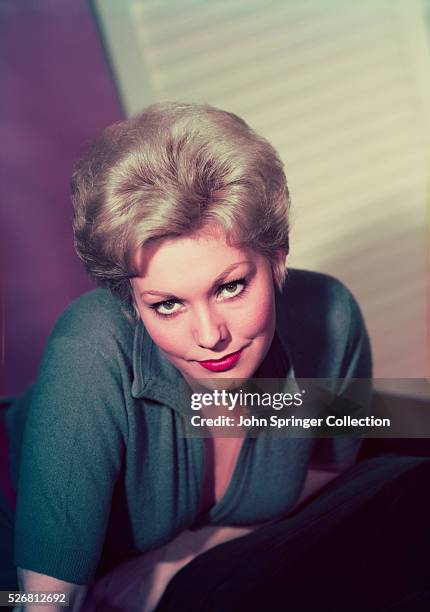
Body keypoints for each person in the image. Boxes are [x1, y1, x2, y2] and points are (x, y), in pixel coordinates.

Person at [1, 102, 428, 612]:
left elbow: (330, 464)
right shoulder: (90, 350)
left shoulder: (330, 316)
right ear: (130, 302)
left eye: (229, 287)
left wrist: (178, 560)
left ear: (276, 257)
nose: (210, 336)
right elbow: (43, 605)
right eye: (167, 304)